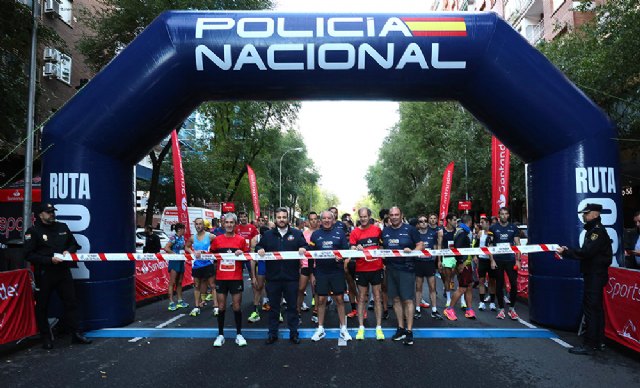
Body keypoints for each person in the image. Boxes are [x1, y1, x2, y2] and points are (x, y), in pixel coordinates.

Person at [24, 203, 92, 349]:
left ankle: (76, 334)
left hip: (63, 271)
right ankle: (46, 338)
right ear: (40, 214)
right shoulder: (33, 231)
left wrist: (69, 251)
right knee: (42, 306)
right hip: (45, 273)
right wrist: (49, 260)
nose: (52, 214)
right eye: (48, 212)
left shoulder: (62, 227)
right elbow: (28, 255)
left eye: (53, 211)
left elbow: (74, 244)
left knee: (71, 302)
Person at [557, 203, 613, 355]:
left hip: (595, 275)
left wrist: (567, 253)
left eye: (587, 213)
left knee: (591, 309)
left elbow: (587, 252)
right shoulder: (594, 231)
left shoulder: (597, 232)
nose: (584, 216)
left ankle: (590, 344)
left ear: (595, 214)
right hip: (595, 274)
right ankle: (599, 341)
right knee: (596, 309)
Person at [256, 207, 308, 345]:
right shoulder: (267, 235)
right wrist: (259, 249)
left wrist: (303, 248)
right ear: (275, 219)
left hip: (291, 278)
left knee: (292, 307)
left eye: (284, 217)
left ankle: (294, 333)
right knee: (274, 308)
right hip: (273, 278)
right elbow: (258, 246)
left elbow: (305, 246)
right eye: (279, 217)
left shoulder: (296, 234)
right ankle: (272, 334)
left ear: (288, 218)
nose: (281, 220)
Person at [381, 206, 424, 346]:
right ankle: (400, 328)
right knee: (396, 299)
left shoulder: (410, 229)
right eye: (391, 214)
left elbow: (421, 245)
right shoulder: (385, 230)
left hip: (406, 269)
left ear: (401, 215)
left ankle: (409, 331)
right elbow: (382, 248)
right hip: (391, 269)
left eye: (396, 214)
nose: (394, 217)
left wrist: (412, 251)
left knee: (408, 300)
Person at [309, 210, 352, 342]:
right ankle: (320, 328)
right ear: (321, 220)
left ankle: (343, 328)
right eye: (324, 218)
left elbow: (346, 251)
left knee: (339, 299)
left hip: (336, 271)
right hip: (321, 272)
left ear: (333, 220)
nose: (327, 220)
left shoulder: (340, 233)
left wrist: (342, 258)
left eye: (329, 218)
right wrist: (312, 273)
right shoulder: (315, 235)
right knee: (321, 300)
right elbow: (310, 255)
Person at [210, 213, 249, 347]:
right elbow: (212, 255)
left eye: (232, 222)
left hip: (236, 277)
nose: (229, 225)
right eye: (227, 222)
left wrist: (242, 254)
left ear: (235, 224)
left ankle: (239, 334)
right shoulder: (217, 240)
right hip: (221, 278)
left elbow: (248, 256)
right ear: (223, 224)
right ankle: (220, 335)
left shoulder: (241, 240)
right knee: (221, 307)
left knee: (237, 306)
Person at [350, 207, 385, 341]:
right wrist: (356, 248)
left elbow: (382, 247)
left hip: (376, 268)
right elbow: (352, 247)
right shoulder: (355, 232)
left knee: (377, 297)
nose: (363, 219)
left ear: (369, 216)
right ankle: (360, 327)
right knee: (362, 298)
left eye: (365, 216)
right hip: (361, 269)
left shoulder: (377, 230)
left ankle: (378, 327)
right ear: (359, 217)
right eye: (361, 217)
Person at [489, 207, 521, 320]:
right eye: (501, 214)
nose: (503, 216)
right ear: (499, 215)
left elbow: (517, 244)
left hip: (510, 260)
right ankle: (501, 309)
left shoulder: (513, 227)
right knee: (499, 284)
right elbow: (490, 245)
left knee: (514, 284)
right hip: (498, 260)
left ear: (508, 215)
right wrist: (492, 260)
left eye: (505, 214)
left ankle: (512, 309)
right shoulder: (493, 227)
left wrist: (518, 260)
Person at [443, 214, 477, 320]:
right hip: (463, 264)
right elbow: (457, 249)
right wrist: (460, 263)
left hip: (467, 262)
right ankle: (449, 309)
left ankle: (469, 309)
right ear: (470, 222)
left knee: (469, 286)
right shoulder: (462, 232)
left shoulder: (464, 231)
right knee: (462, 288)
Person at [415, 213, 444, 320]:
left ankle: (434, 310)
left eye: (425, 221)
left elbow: (437, 247)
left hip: (429, 263)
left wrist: (438, 260)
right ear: (418, 224)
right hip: (418, 263)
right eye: (421, 221)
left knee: (432, 287)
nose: (423, 223)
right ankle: (417, 309)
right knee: (418, 287)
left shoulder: (433, 233)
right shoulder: (415, 234)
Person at [186, 218, 216, 317]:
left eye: (200, 224)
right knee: (197, 285)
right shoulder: (192, 237)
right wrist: (192, 253)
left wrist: (207, 252)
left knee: (212, 285)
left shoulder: (210, 236)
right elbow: (186, 247)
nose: (198, 226)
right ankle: (196, 306)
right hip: (197, 264)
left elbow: (218, 244)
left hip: (208, 263)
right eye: (197, 224)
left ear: (204, 225)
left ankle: (216, 307)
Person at [300, 211, 319, 322]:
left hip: (318, 265)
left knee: (315, 289)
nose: (313, 221)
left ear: (318, 220)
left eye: (315, 219)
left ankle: (316, 312)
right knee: (301, 288)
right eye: (311, 219)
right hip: (305, 264)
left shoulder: (321, 233)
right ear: (307, 221)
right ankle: (298, 312)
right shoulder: (304, 234)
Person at [248, 225, 269, 323]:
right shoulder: (254, 240)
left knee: (274, 288)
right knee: (258, 287)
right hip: (261, 264)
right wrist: (253, 277)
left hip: (272, 265)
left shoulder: (273, 238)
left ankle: (278, 313)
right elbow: (252, 260)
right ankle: (255, 311)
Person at [475, 216, 497, 311]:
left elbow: (492, 246)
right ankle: (481, 302)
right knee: (481, 280)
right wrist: (475, 256)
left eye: (482, 222)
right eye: (480, 222)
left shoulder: (492, 233)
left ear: (488, 223)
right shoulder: (480, 233)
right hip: (482, 259)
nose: (481, 224)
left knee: (492, 281)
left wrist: (493, 260)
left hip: (491, 260)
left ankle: (492, 302)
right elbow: (476, 245)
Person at [438, 213, 458, 308]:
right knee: (447, 279)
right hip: (446, 257)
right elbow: (439, 246)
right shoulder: (441, 232)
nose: (455, 222)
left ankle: (462, 300)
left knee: (458, 278)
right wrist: (439, 260)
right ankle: (449, 299)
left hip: (456, 257)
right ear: (449, 220)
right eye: (454, 220)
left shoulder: (457, 231)